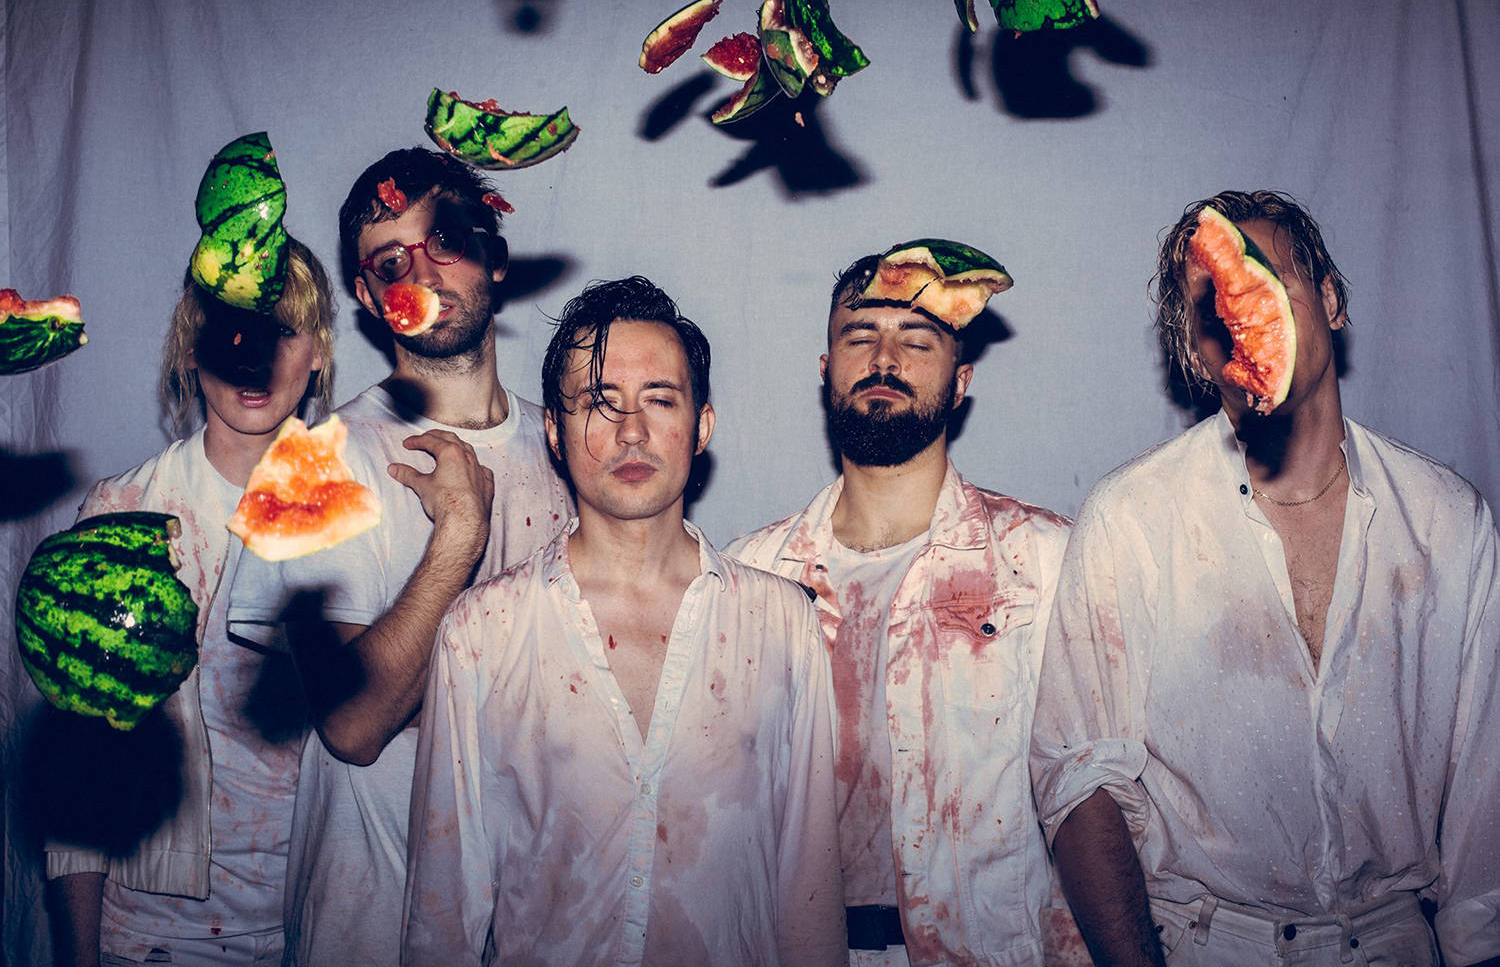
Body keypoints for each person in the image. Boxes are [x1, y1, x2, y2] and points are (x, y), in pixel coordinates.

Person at [1030, 190, 1500, 967]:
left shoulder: (1447, 520)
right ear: (1194, 351)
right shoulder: (1131, 516)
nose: (1240, 313)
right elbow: (1079, 781)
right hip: (1202, 942)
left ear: (1332, 302)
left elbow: (1487, 793)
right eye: (1213, 305)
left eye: (1264, 283)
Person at [402, 277, 845, 966]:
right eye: (598, 403)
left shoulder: (782, 624)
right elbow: (444, 910)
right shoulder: (482, 632)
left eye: (660, 400)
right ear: (555, 433)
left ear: (701, 427)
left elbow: (809, 888)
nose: (631, 430)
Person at [226, 149, 572, 967]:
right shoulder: (311, 463)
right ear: (367, 295)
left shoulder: (571, 450)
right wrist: (458, 538)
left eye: (444, 240)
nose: (420, 271)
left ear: (494, 254)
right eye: (390, 263)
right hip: (369, 935)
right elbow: (352, 726)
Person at [728, 250, 1085, 966]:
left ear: (961, 383)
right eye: (860, 336)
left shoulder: (1042, 561)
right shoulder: (750, 577)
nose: (884, 359)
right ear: (825, 369)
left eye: (917, 341)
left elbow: (1091, 795)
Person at [45, 240, 337, 966]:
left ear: (319, 354)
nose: (253, 356)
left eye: (283, 329)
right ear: (189, 345)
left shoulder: (363, 515)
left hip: (325, 928)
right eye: (230, 328)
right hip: (154, 939)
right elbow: (79, 776)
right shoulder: (123, 512)